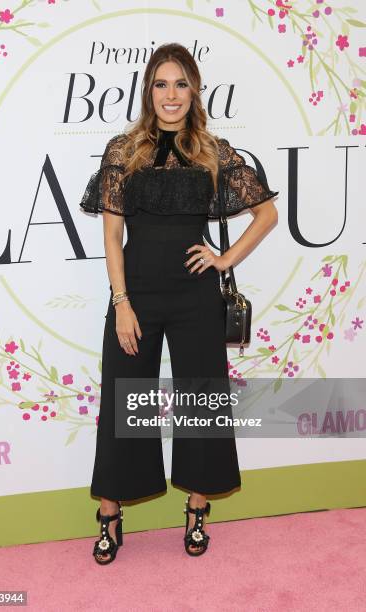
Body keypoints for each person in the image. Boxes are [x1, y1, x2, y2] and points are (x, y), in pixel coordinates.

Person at [79, 42, 279, 564]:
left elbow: (266, 215)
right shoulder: (124, 151)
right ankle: (109, 515)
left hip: (195, 297)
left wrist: (222, 258)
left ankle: (196, 508)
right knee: (123, 401)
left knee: (203, 403)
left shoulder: (213, 150)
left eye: (181, 84)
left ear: (194, 90)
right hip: (136, 294)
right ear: (149, 90)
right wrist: (121, 301)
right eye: (162, 84)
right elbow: (112, 232)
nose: (171, 95)